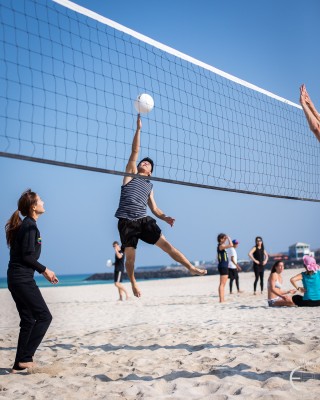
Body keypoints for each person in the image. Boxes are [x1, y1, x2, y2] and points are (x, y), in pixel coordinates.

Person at [115, 114, 207, 297]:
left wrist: (164, 217)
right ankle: (133, 282)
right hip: (127, 222)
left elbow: (155, 209)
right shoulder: (130, 174)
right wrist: (138, 129)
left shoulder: (150, 187)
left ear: (150, 173)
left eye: (148, 164)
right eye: (144, 161)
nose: (145, 162)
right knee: (131, 257)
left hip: (143, 220)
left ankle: (190, 267)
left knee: (167, 246)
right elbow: (135, 152)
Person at [5, 189, 59, 373]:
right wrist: (46, 270)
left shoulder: (27, 225)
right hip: (22, 279)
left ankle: (17, 365)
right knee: (45, 316)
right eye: (40, 200)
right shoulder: (29, 227)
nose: (43, 202)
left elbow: (25, 256)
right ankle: (26, 358)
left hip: (16, 279)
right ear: (34, 207)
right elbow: (27, 257)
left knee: (28, 320)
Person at [217, 233, 234, 303]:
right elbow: (231, 245)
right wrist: (229, 238)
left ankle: (222, 299)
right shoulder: (221, 246)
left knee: (222, 284)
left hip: (223, 265)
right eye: (224, 238)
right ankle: (221, 300)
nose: (225, 239)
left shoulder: (221, 246)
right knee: (222, 284)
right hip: (223, 266)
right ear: (221, 239)